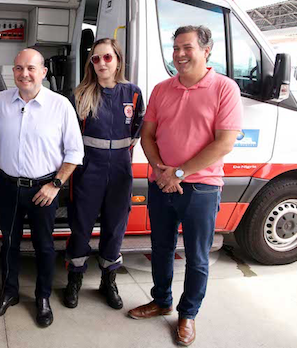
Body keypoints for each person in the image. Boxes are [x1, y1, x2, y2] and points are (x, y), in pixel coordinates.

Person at [127, 26, 242, 346]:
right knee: (160, 249)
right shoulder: (162, 89)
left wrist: (177, 174)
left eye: (186, 47)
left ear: (207, 50)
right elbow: (147, 135)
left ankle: (188, 314)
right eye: (175, 47)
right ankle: (161, 300)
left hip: (201, 188)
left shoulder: (225, 88)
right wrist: (160, 171)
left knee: (197, 256)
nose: (179, 54)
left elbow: (224, 143)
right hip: (161, 183)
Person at [0, 49, 84, 328]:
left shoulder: (60, 105)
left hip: (44, 189)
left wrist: (56, 185)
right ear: (12, 71)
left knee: (44, 246)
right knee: (9, 243)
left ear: (43, 73)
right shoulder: (0, 101)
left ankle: (43, 297)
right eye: (18, 68)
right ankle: (9, 293)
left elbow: (75, 152)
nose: (24, 74)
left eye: (30, 68)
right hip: (7, 186)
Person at [63, 38, 144, 310]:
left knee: (115, 227)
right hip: (87, 171)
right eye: (95, 59)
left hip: (120, 170)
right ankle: (74, 279)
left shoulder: (132, 93)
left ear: (117, 60)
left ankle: (108, 280)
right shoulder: (80, 95)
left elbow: (137, 130)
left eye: (107, 57)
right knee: (81, 227)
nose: (101, 64)